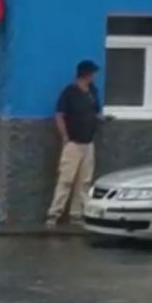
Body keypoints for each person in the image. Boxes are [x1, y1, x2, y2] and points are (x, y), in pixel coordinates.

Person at [46, 60, 102, 227]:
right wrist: (65, 136)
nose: (93, 77)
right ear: (85, 74)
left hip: (88, 142)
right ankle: (54, 213)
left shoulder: (92, 92)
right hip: (73, 143)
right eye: (92, 74)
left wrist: (100, 119)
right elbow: (59, 115)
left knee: (84, 181)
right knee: (66, 179)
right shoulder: (70, 92)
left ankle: (77, 214)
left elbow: (95, 112)